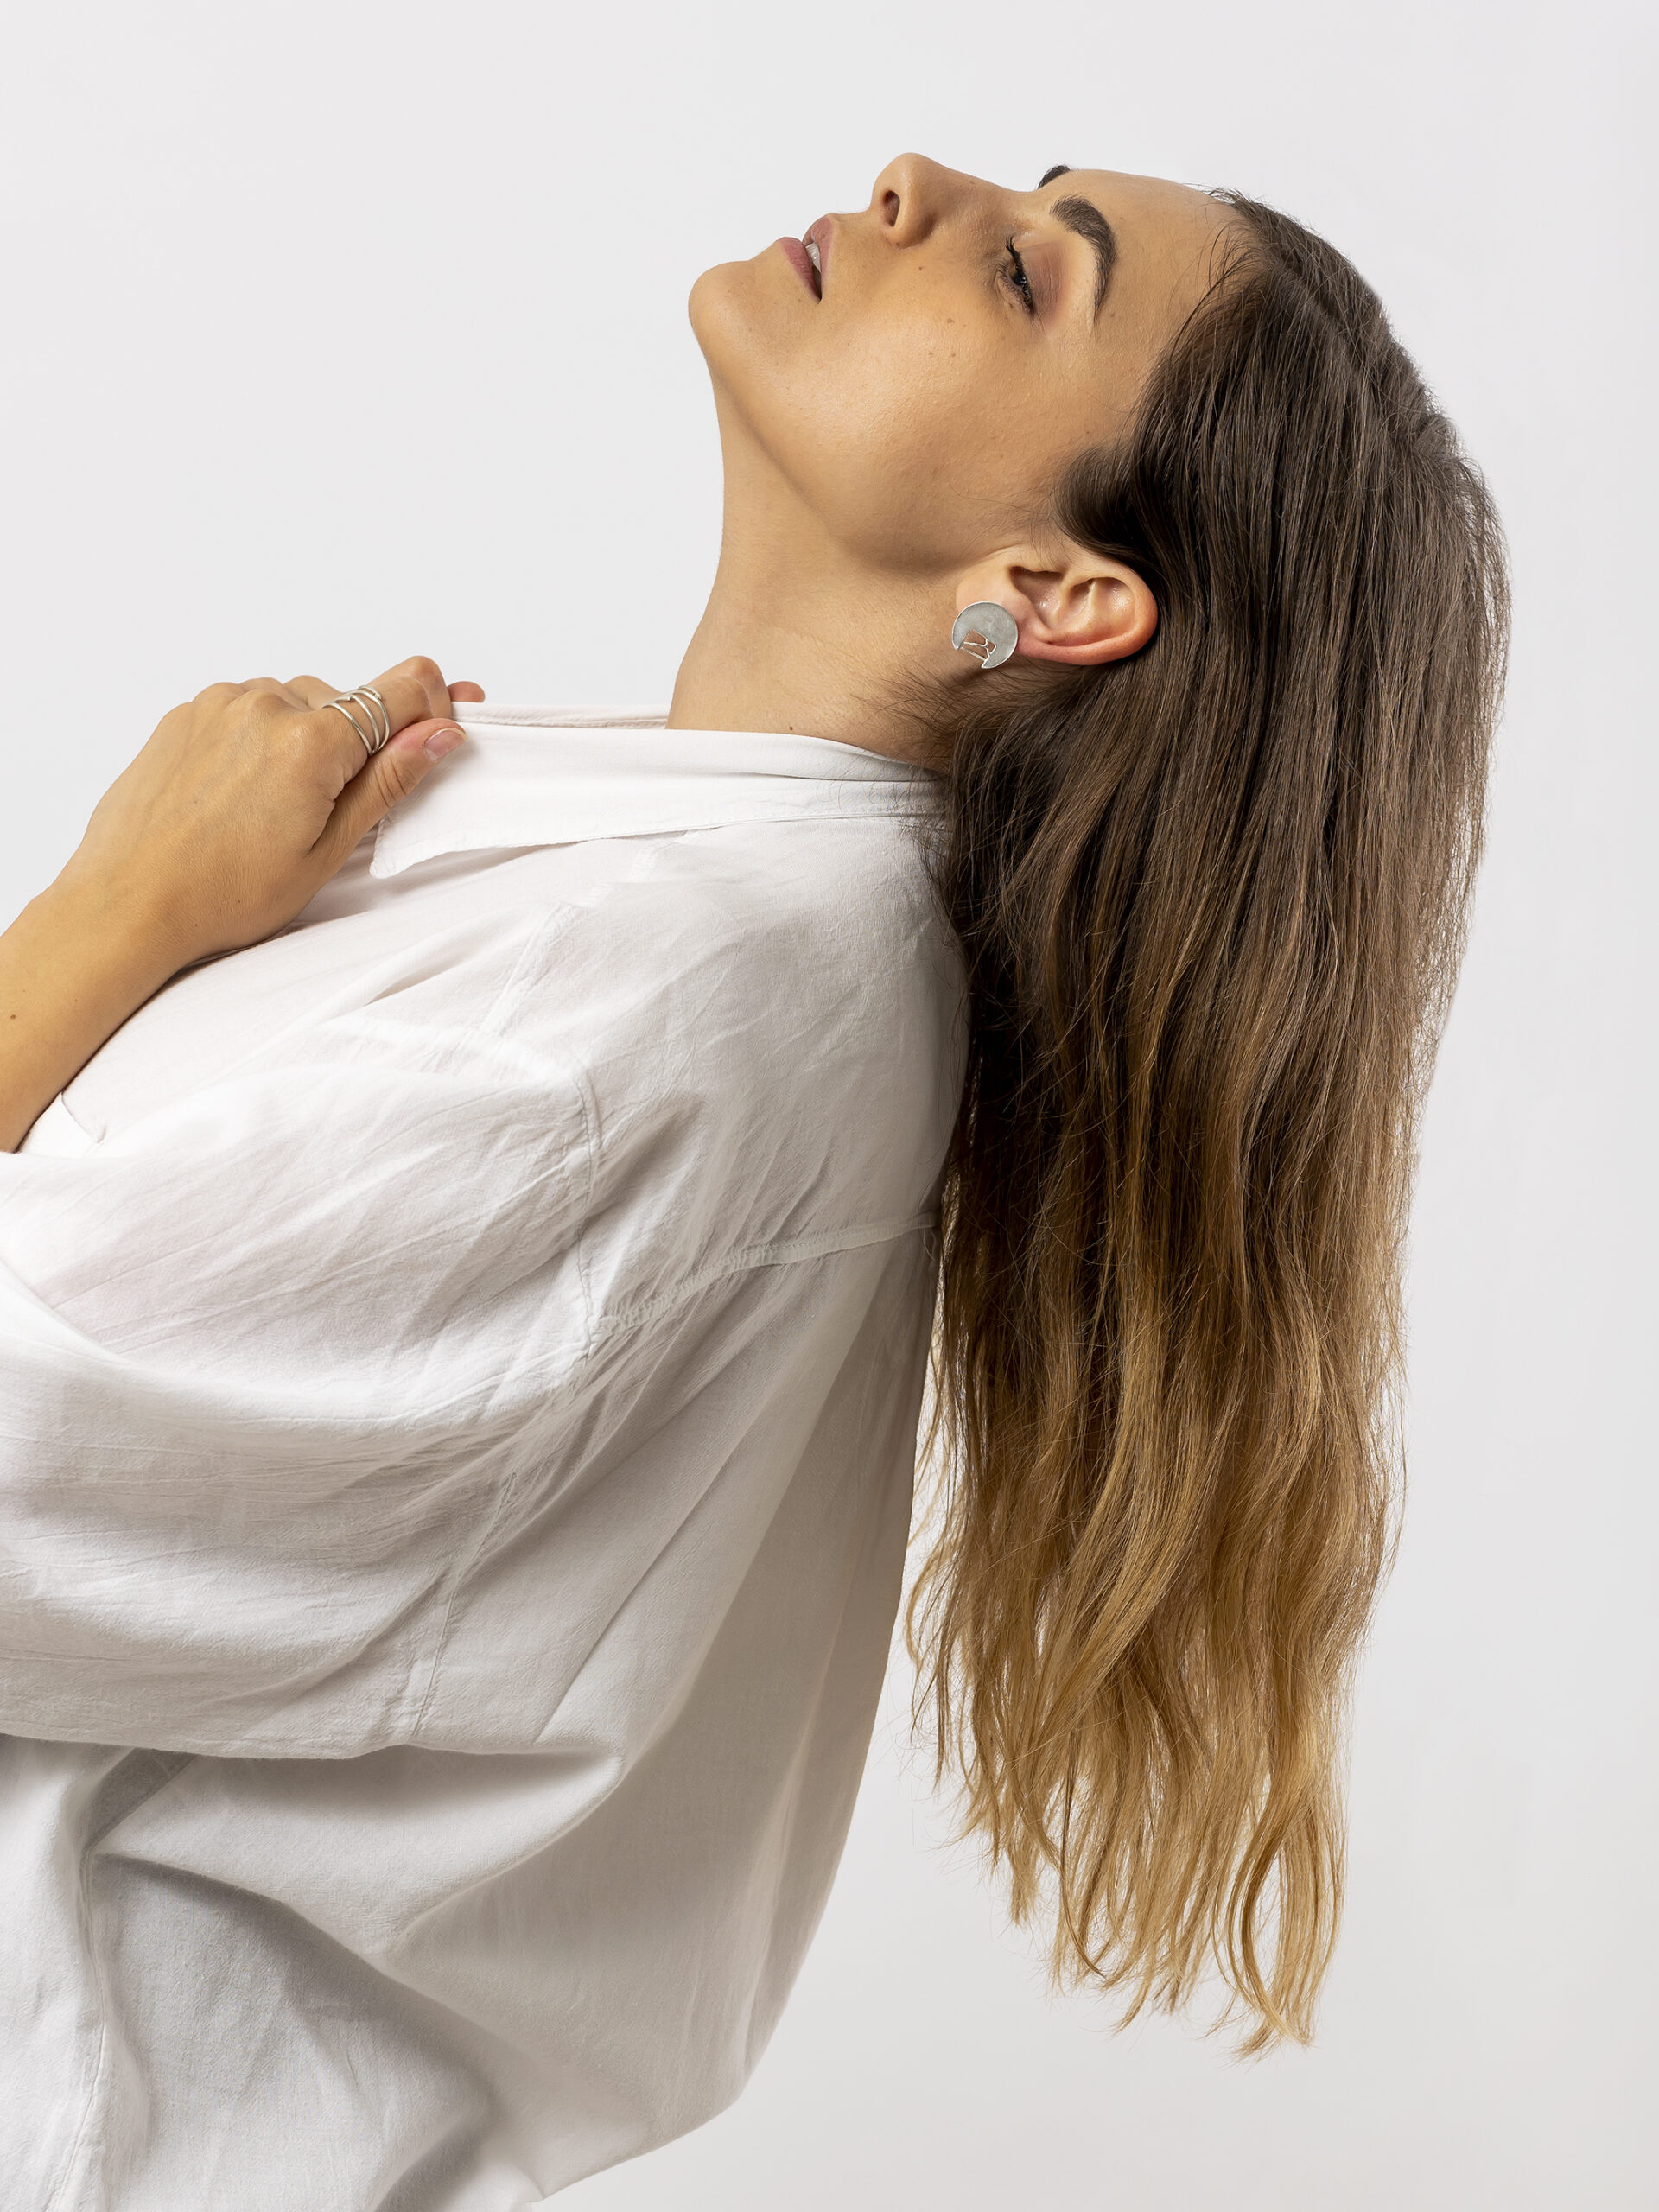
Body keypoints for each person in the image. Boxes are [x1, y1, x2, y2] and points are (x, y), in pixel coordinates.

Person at [0, 156, 1506, 2209]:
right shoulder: (684, 913)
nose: (911, 176)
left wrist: (97, 920)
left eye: (1022, 270)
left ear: (1062, 593)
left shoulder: (652, 1020)